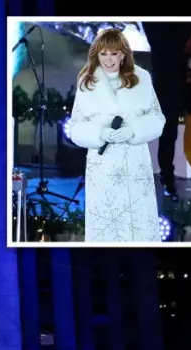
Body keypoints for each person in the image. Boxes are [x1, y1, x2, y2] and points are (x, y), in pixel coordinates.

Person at [65, 28, 164, 242]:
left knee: (139, 222)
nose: (109, 59)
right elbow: (75, 127)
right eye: (104, 54)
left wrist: (134, 130)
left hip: (135, 160)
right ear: (96, 55)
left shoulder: (142, 78)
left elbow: (158, 118)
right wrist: (100, 133)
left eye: (114, 53)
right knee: (106, 222)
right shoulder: (86, 82)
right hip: (103, 163)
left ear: (123, 54)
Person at [142, 21, 191, 200]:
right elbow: (161, 48)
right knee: (169, 130)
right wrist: (187, 60)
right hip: (168, 78)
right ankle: (168, 179)